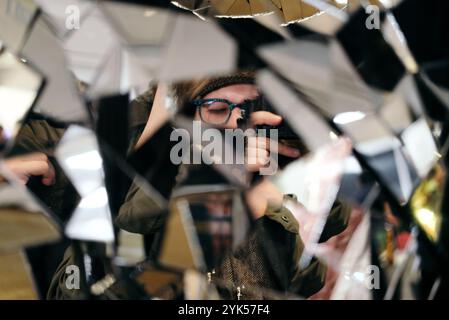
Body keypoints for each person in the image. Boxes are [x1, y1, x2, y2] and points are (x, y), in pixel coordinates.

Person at [115, 71, 351, 299]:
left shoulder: (268, 154)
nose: (234, 124)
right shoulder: (176, 158)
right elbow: (134, 216)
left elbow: (313, 263)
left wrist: (312, 152)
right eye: (218, 110)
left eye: (248, 109)